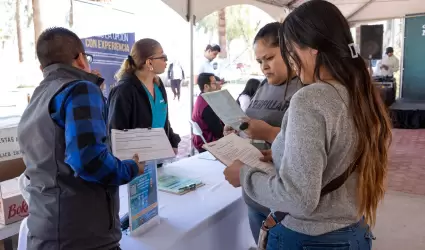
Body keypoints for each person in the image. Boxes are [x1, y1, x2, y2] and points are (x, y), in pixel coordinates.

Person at [223, 1, 392, 249]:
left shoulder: (310, 98)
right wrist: (283, 155)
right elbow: (336, 158)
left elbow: (299, 198)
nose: (292, 62)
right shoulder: (359, 92)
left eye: (290, 51)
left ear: (312, 49)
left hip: (310, 238)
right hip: (353, 231)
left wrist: (245, 176)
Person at [17, 27, 144, 250]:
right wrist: (131, 168)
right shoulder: (81, 90)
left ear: (42, 67)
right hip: (82, 235)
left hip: (45, 229)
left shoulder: (38, 98)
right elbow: (89, 160)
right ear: (80, 58)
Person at [225, 22, 302, 245]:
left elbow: (307, 142)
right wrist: (237, 129)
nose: (264, 67)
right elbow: (250, 124)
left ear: (289, 50)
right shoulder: (262, 85)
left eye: (269, 58)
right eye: (259, 61)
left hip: (284, 198)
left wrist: (268, 132)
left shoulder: (305, 88)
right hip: (254, 193)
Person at [108, 38, 181, 155]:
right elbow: (116, 134)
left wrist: (172, 140)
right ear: (149, 62)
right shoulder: (124, 91)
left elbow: (163, 120)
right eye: (162, 56)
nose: (166, 61)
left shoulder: (158, 84)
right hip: (135, 166)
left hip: (158, 159)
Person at [192, 73, 224, 152]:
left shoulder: (201, 98)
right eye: (214, 83)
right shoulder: (207, 106)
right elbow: (219, 132)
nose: (217, 85)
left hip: (203, 140)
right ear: (206, 86)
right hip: (208, 143)